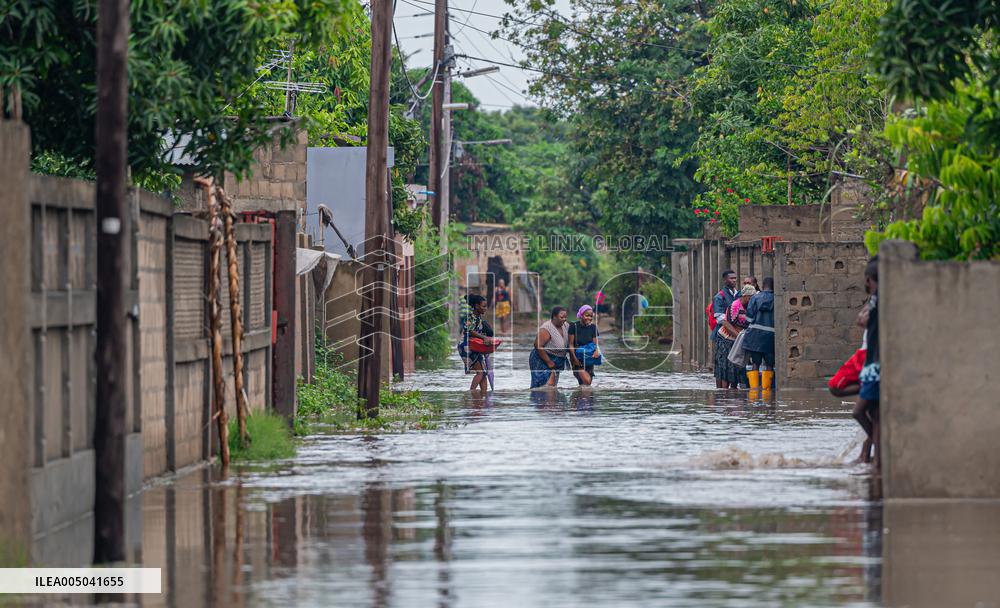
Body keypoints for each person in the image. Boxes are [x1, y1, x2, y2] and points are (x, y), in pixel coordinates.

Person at [854, 257, 881, 467]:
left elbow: (862, 320)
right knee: (874, 413)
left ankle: (879, 450)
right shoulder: (876, 300)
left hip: (875, 364)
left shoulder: (878, 301)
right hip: (872, 363)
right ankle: (873, 456)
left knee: (859, 411)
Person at [743, 277, 775, 398]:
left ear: (763, 285)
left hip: (754, 336)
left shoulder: (755, 298)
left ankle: (754, 391)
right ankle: (767, 392)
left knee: (755, 363)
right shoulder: (776, 298)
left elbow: (749, 318)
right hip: (770, 337)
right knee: (769, 364)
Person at [460, 295, 496, 392]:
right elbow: (470, 331)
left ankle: (483, 396)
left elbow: (477, 332)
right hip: (466, 347)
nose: (485, 308)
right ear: (476, 306)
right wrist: (483, 337)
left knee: (483, 373)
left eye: (486, 306)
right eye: (483, 306)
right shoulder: (471, 317)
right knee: (481, 372)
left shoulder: (478, 318)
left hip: (474, 347)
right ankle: (471, 393)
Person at [530, 306, 570, 388]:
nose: (564, 319)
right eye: (561, 317)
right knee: (544, 386)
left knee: (552, 387)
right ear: (554, 317)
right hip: (541, 358)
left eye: (565, 317)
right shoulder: (546, 328)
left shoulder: (566, 325)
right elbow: (537, 345)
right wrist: (548, 362)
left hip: (557, 360)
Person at [712, 270, 740, 388]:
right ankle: (721, 394)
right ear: (725, 280)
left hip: (735, 335)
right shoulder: (719, 297)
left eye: (735, 278)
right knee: (722, 365)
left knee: (734, 364)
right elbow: (722, 320)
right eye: (731, 278)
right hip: (722, 337)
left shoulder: (738, 294)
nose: (734, 280)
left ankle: (731, 391)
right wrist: (738, 335)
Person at [569, 305, 601, 386]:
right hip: (577, 359)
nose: (589, 318)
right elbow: (571, 345)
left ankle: (578, 397)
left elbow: (595, 344)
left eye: (591, 316)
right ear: (581, 315)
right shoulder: (574, 326)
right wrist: (574, 359)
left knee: (585, 385)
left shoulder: (593, 327)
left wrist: (597, 351)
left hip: (589, 359)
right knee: (587, 382)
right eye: (587, 315)